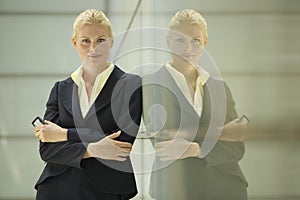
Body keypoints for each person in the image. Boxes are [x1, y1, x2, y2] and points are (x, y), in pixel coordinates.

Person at [33, 9, 142, 200]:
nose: (93, 48)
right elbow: (47, 149)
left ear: (111, 42)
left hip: (107, 188)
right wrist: (91, 149)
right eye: (86, 41)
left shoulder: (130, 84)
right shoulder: (60, 89)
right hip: (56, 187)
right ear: (75, 43)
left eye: (100, 40)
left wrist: (65, 134)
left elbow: (121, 144)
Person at [143, 9, 248, 199]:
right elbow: (166, 142)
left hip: (227, 188)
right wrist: (220, 132)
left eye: (195, 40)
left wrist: (196, 149)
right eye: (180, 40)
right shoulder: (151, 85)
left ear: (205, 43)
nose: (188, 48)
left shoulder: (219, 88)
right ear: (168, 42)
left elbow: (236, 147)